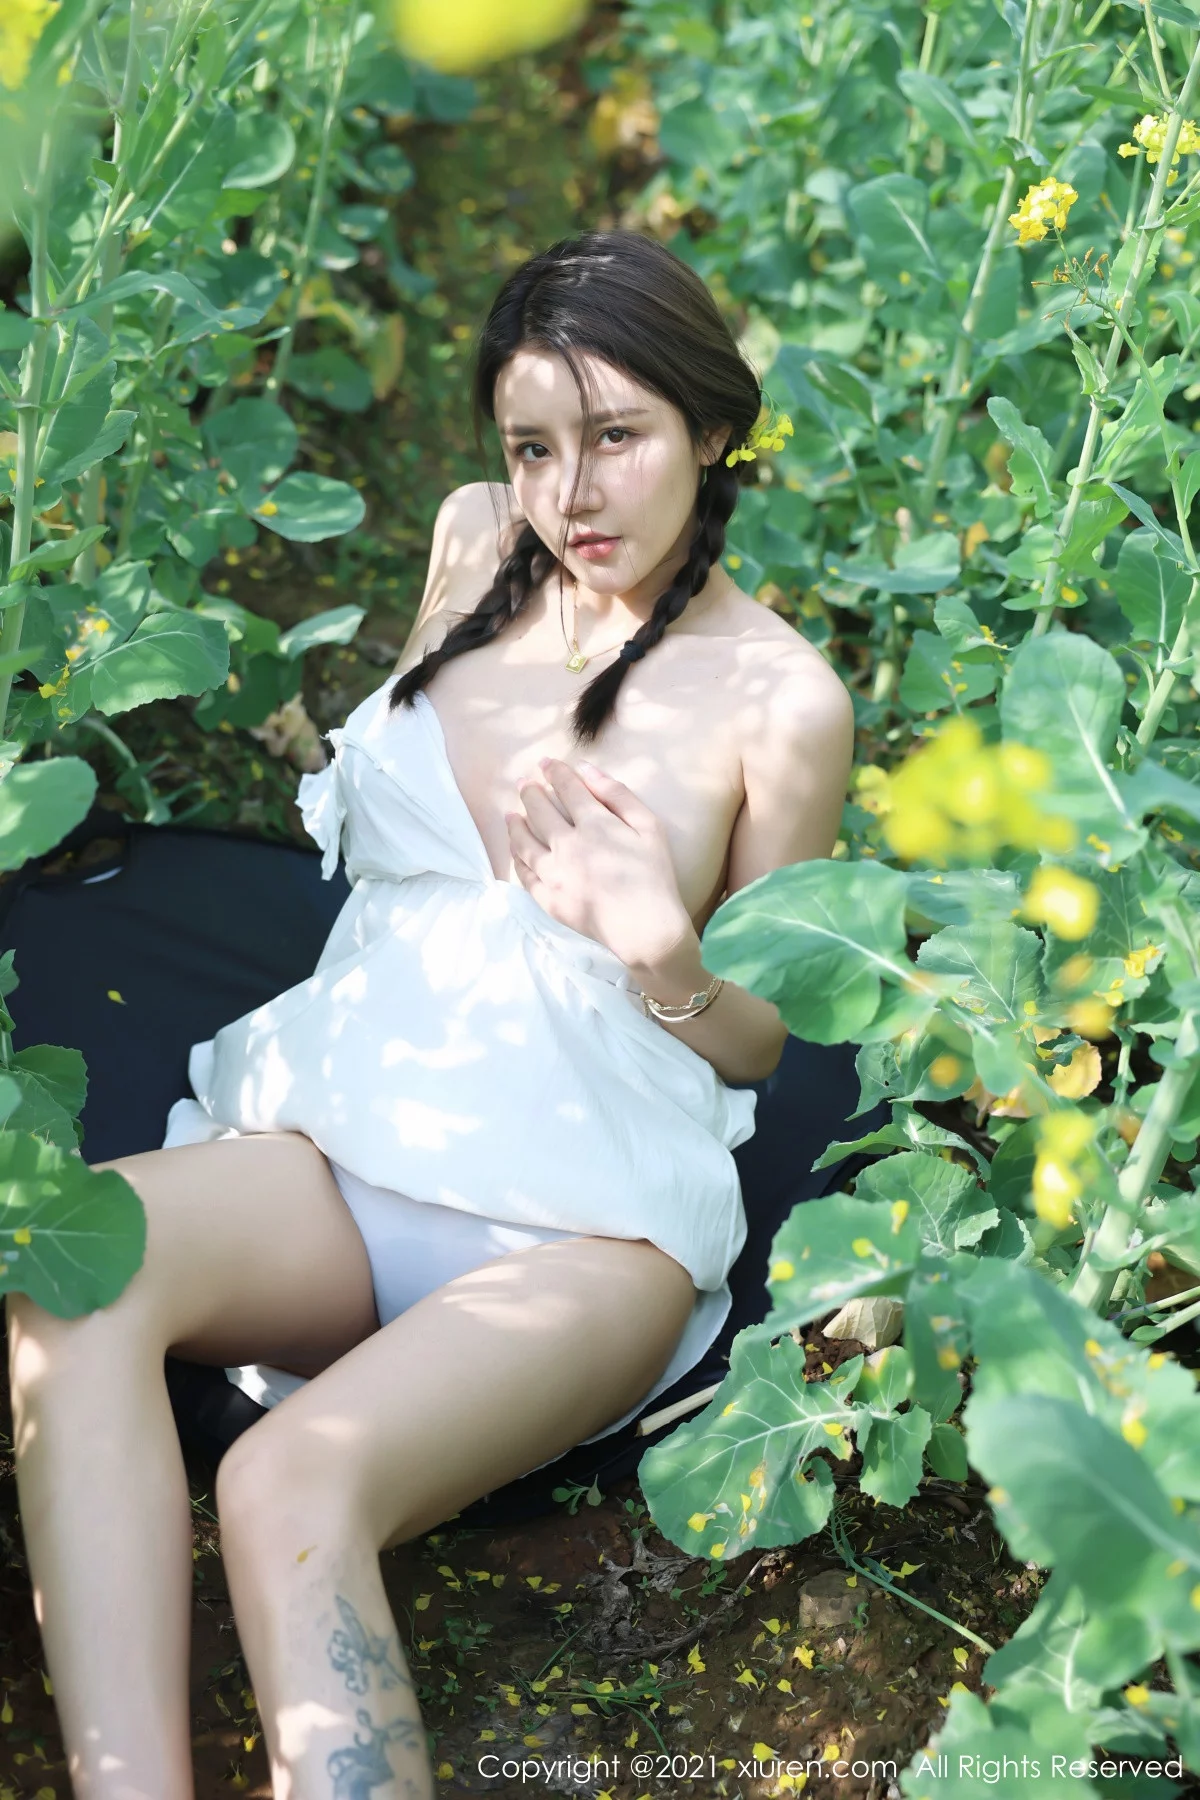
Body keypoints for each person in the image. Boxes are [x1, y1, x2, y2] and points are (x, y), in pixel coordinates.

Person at [6, 230, 854, 1800]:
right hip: (344, 1137)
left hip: (586, 1225)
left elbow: (766, 1042)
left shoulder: (779, 702)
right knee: (67, 1281)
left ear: (712, 429)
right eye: (534, 445)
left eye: (618, 436)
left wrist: (660, 945)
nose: (571, 492)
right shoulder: (477, 539)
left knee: (286, 1487)